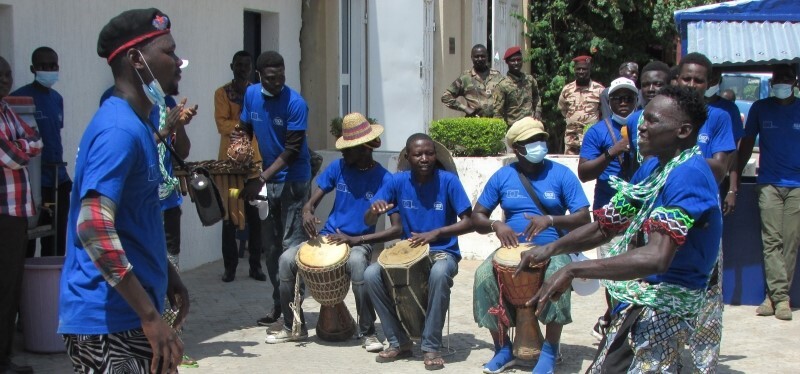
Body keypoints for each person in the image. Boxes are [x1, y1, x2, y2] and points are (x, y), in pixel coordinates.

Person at [520, 86, 722, 373]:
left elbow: (656, 257)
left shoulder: (688, 175)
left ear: (683, 130)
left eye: (652, 120)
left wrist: (574, 270)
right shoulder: (653, 170)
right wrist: (550, 249)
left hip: (669, 311)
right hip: (645, 299)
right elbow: (605, 227)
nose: (641, 126)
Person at [58, 9, 190, 373]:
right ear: (136, 59)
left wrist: (165, 272)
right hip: (110, 319)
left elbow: (131, 218)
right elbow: (94, 227)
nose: (179, 62)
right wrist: (149, 316)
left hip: (129, 312)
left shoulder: (140, 124)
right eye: (168, 52)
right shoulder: (118, 130)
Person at [472, 117, 590, 374]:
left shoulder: (561, 174)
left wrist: (550, 219)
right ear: (517, 148)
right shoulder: (503, 176)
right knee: (483, 276)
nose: (539, 144)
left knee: (558, 275)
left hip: (554, 249)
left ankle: (550, 350)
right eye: (530, 142)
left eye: (541, 139)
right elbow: (477, 216)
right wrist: (496, 225)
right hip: (512, 250)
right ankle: (502, 348)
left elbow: (583, 217)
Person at [270, 112, 397, 347]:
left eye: (348, 149)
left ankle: (367, 331)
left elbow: (395, 228)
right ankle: (292, 326)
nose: (343, 153)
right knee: (286, 259)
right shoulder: (339, 167)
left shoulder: (385, 179)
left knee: (360, 266)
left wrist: (355, 239)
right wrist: (307, 213)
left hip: (358, 241)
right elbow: (310, 204)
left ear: (364, 148)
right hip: (328, 236)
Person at [364, 134, 473, 370]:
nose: (424, 158)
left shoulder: (448, 181)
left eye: (429, 153)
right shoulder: (397, 181)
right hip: (408, 253)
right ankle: (398, 342)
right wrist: (374, 211)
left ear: (435, 155)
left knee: (440, 272)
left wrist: (436, 233)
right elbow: (369, 215)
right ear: (407, 156)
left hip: (443, 251)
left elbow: (469, 221)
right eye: (418, 154)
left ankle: (431, 345)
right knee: (371, 274)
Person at [233, 50, 312, 327]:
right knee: (270, 247)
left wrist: (261, 178)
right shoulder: (252, 94)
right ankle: (279, 305)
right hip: (267, 180)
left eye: (281, 76)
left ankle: (295, 310)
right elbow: (244, 127)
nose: (276, 82)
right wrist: (239, 145)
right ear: (259, 76)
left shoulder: (296, 104)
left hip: (294, 180)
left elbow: (292, 150)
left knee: (291, 247)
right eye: (270, 77)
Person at [738, 63, 800, 321]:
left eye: (786, 79)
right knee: (771, 240)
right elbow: (747, 143)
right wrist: (734, 179)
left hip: (797, 184)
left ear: (794, 82)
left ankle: (774, 296)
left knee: (791, 240)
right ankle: (781, 299)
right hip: (769, 182)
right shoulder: (760, 108)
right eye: (777, 79)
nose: (781, 84)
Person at [578, 77, 638, 340]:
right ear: (609, 101)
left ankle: (621, 322)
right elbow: (584, 173)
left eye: (628, 98)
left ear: (636, 100)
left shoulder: (646, 126)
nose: (623, 103)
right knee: (613, 272)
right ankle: (615, 325)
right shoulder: (597, 131)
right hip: (610, 211)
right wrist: (612, 152)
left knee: (639, 273)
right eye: (618, 98)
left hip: (641, 212)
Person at [0, 55, 42, 374]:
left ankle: (4, 357)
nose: (4, 79)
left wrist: (22, 146)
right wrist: (23, 146)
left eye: (7, 74)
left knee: (11, 285)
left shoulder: (7, 109)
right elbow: (11, 155)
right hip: (2, 211)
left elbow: (35, 139)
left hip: (16, 211)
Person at [11, 47, 71, 257]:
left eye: (52, 66)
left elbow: (55, 136)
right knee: (26, 242)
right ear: (33, 69)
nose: (49, 70)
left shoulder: (57, 98)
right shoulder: (19, 100)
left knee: (55, 243)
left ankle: (50, 288)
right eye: (43, 66)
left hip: (57, 179)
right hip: (33, 184)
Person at [214, 50, 264, 283]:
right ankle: (230, 267)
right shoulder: (222, 93)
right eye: (238, 65)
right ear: (231, 66)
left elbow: (261, 122)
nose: (242, 69)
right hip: (229, 166)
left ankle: (255, 266)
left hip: (253, 164)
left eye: (246, 65)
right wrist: (245, 124)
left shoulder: (258, 93)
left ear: (252, 67)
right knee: (230, 215)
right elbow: (222, 124)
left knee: (255, 215)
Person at [558, 55, 604, 155]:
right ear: (574, 70)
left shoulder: (599, 90)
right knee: (570, 164)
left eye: (584, 69)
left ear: (590, 70)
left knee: (591, 162)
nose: (581, 71)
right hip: (571, 137)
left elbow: (603, 112)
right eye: (578, 69)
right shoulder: (567, 89)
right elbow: (563, 109)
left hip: (592, 136)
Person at [441, 44, 503, 117]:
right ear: (472, 58)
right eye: (476, 57)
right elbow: (446, 97)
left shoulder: (497, 76)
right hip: (475, 122)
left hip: (495, 122)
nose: (480, 59)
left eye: (482, 56)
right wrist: (465, 108)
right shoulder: (466, 78)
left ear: (487, 57)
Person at [492, 46, 542, 125]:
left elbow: (536, 96)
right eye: (513, 60)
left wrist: (538, 111)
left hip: (530, 125)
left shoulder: (529, 80)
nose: (516, 63)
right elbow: (498, 112)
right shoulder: (502, 85)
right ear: (507, 62)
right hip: (513, 128)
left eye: (518, 60)